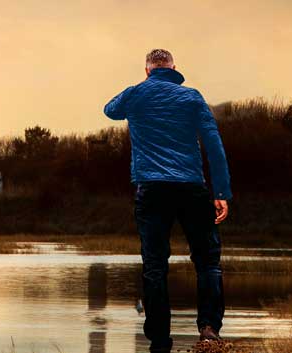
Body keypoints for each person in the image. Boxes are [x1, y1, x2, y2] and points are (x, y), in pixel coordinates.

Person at [103, 49, 232, 353]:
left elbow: (110, 109)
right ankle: (209, 328)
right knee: (207, 261)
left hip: (152, 189)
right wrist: (221, 192)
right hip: (191, 187)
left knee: (155, 265)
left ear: (147, 70)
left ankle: (160, 338)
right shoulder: (191, 97)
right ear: (175, 69)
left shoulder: (136, 94)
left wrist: (141, 88)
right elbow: (214, 143)